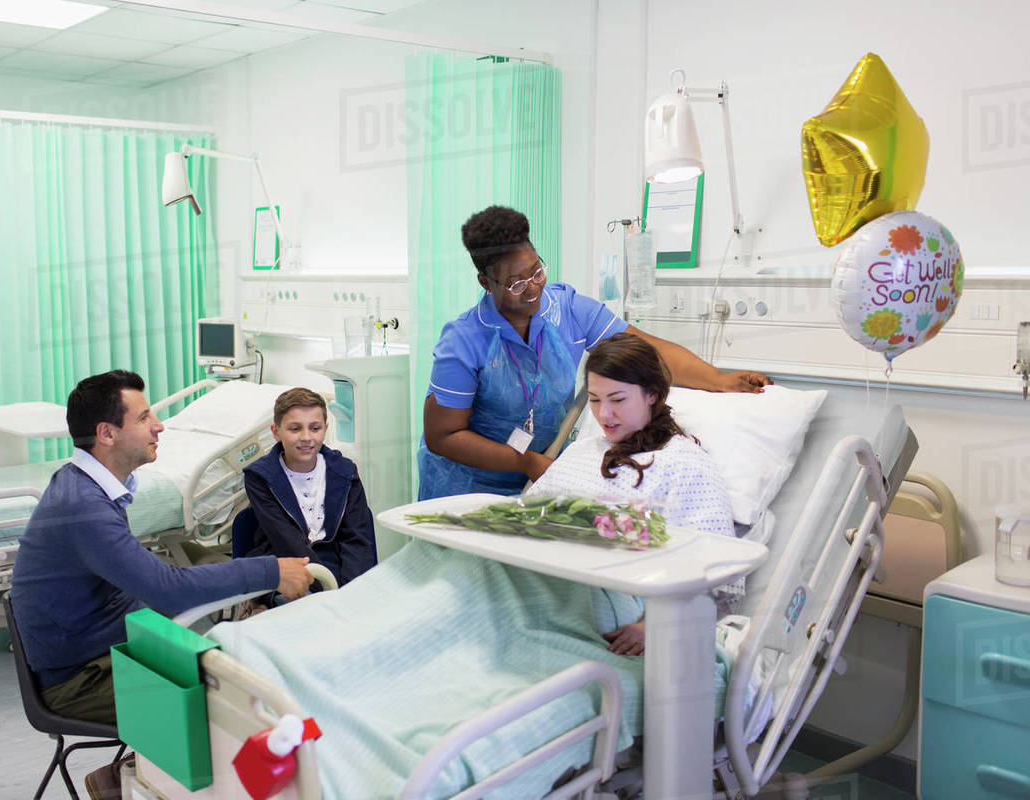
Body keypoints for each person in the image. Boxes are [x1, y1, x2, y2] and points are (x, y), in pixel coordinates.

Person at [9, 370, 314, 725]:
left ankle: (127, 775)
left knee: (248, 659)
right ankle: (136, 778)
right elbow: (167, 589)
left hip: (103, 650)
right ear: (106, 434)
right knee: (241, 699)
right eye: (143, 418)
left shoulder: (81, 484)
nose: (159, 426)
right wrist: (272, 570)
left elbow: (151, 588)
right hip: (80, 680)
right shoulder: (83, 507)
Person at [418, 205, 769, 500]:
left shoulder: (567, 309)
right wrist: (524, 462)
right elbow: (442, 436)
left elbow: (644, 353)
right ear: (486, 282)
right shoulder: (463, 341)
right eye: (516, 283)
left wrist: (718, 379)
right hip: (465, 487)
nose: (532, 289)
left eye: (536, 271)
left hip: (541, 476)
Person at [526, 332, 738, 656]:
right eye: (595, 400)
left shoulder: (684, 462)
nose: (603, 415)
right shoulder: (582, 451)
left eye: (618, 399)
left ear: (652, 394)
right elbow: (524, 516)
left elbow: (713, 569)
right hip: (536, 575)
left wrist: (652, 626)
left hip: (605, 604)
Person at [241, 387, 377, 597]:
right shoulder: (260, 477)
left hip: (336, 562)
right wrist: (324, 593)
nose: (306, 437)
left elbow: (357, 539)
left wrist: (352, 594)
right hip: (287, 565)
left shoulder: (345, 472)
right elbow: (287, 541)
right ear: (276, 432)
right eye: (295, 429)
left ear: (325, 429)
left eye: (315, 428)